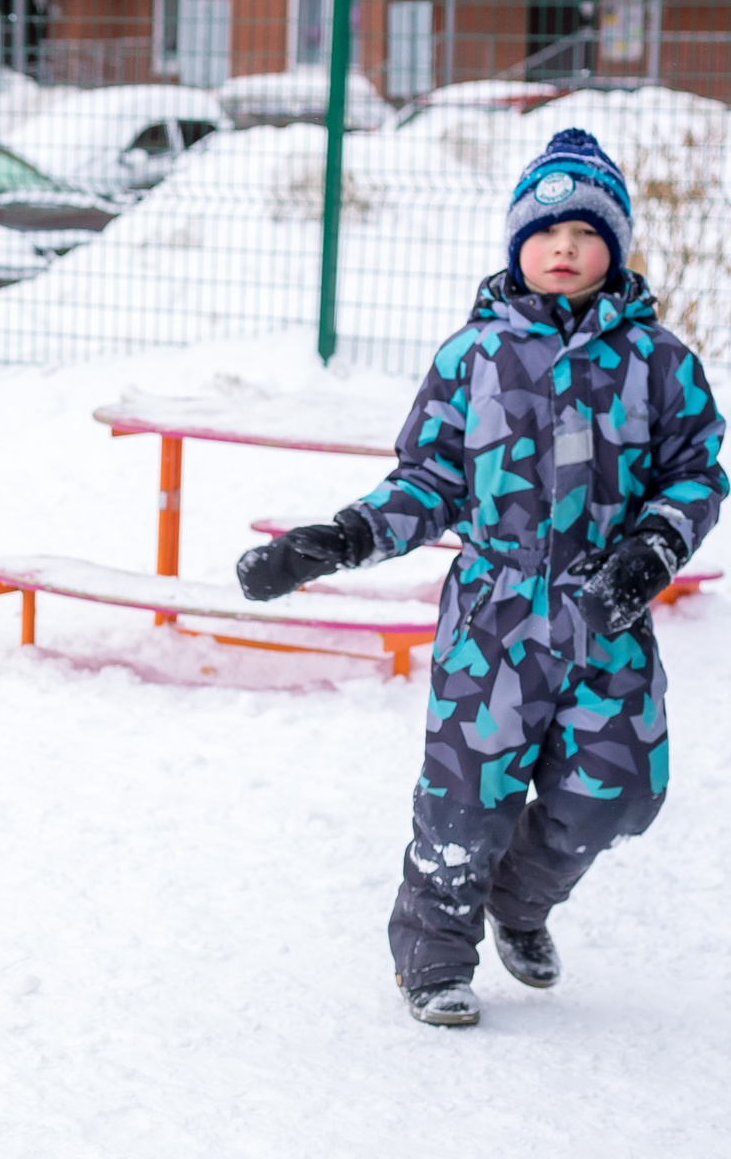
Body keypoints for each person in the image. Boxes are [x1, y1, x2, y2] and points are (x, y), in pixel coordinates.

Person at [237, 129, 724, 1027]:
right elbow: (431, 478)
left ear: (614, 246)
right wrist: (337, 539)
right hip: (494, 618)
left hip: (605, 611)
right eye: (546, 232)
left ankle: (521, 900)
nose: (565, 247)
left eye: (586, 231)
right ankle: (432, 951)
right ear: (517, 246)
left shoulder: (659, 361)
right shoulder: (475, 357)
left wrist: (651, 550)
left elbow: (697, 470)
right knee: (466, 796)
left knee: (617, 794)